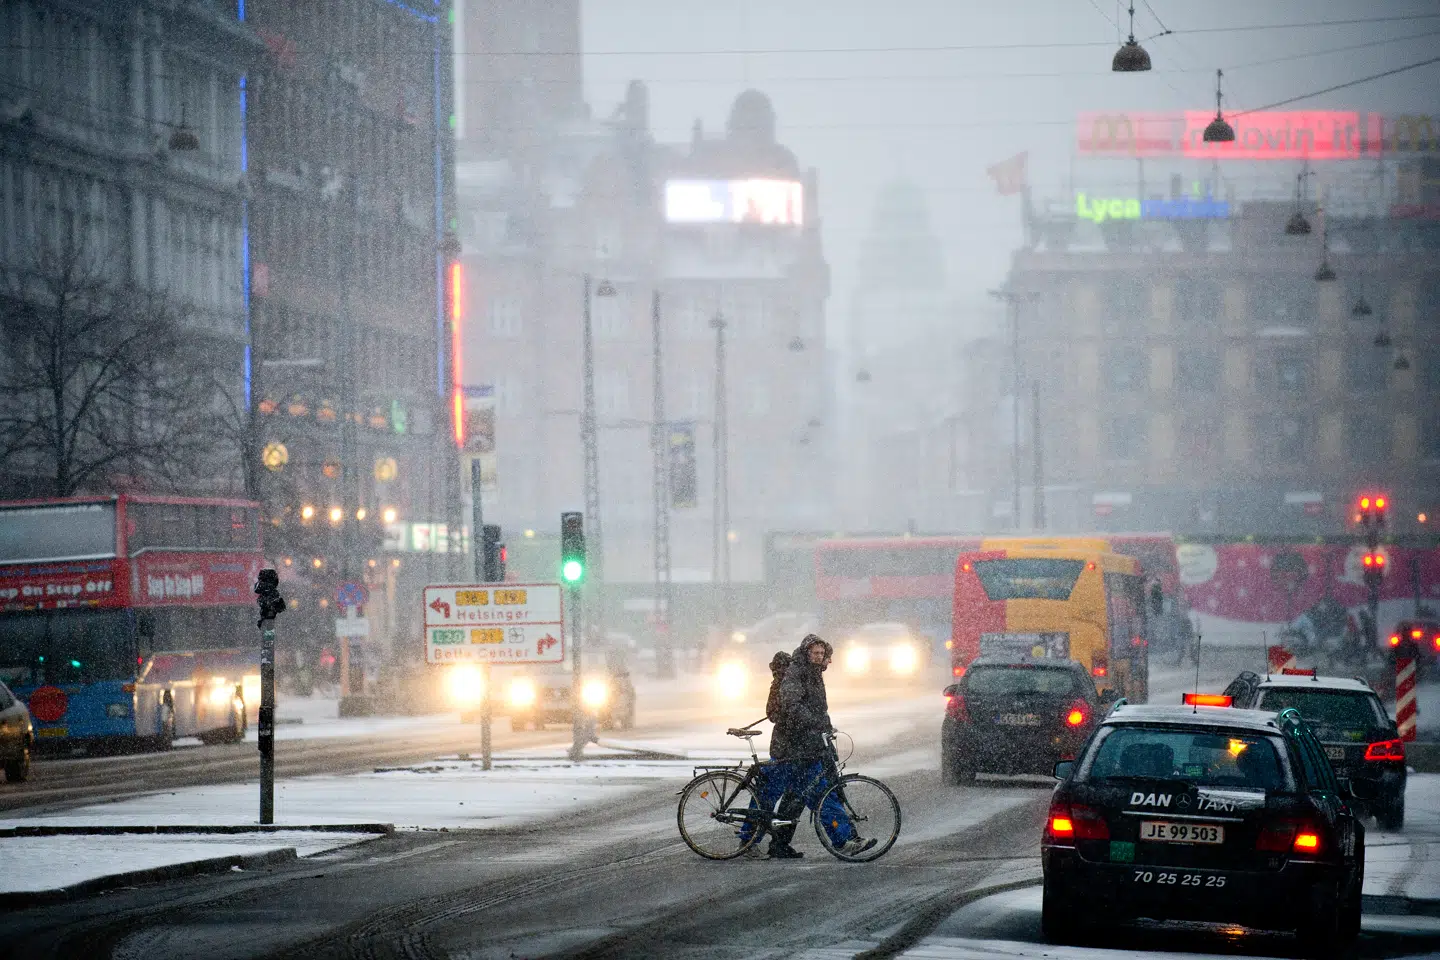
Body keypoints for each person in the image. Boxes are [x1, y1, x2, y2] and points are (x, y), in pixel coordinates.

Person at [753, 634, 875, 859]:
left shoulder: (812, 674)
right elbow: (793, 706)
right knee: (815, 795)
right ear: (806, 653)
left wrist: (824, 727)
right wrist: (815, 724)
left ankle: (774, 843)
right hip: (793, 749)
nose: (819, 657)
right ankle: (844, 840)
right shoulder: (797, 673)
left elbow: (816, 708)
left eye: (822, 653)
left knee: (793, 796)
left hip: (805, 747)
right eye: (815, 653)